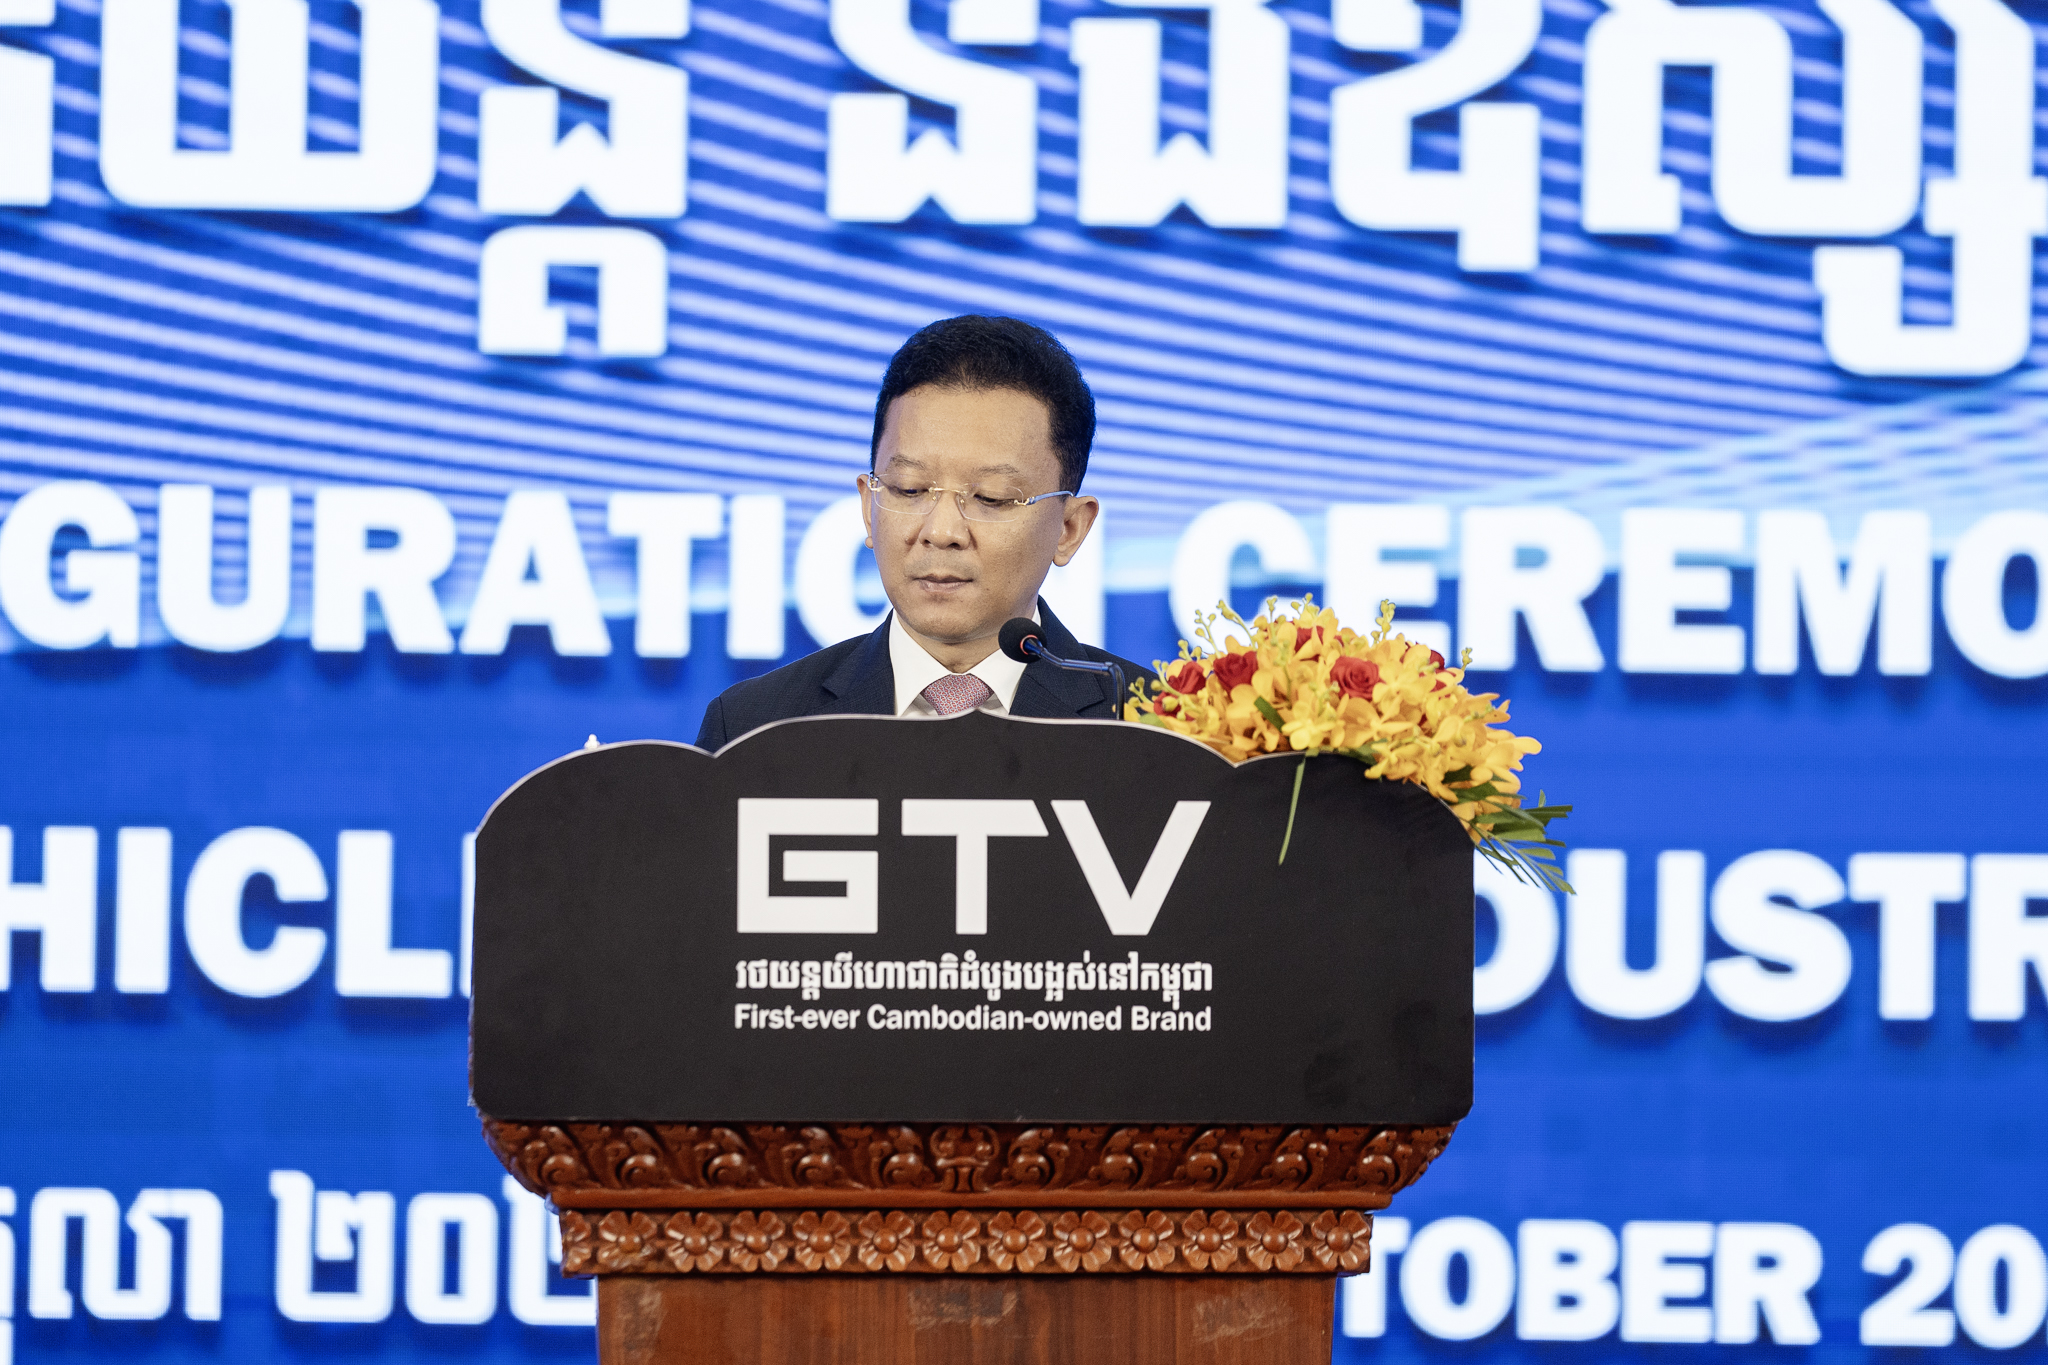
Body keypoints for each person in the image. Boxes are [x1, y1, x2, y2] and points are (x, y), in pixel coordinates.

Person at [695, 315, 1151, 750]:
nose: (942, 531)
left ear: (1069, 529)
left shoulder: (1156, 725)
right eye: (909, 489)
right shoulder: (753, 727)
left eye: (990, 497)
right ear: (869, 507)